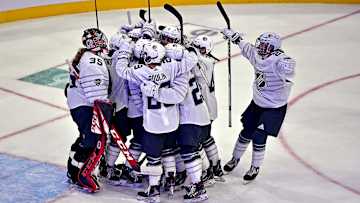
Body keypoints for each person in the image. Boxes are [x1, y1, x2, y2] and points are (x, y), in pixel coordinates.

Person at [116, 41, 198, 203]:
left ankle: (154, 191)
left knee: (153, 157)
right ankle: (170, 180)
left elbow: (121, 70)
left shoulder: (140, 71)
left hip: (153, 124)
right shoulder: (172, 67)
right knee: (168, 150)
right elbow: (191, 61)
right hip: (172, 123)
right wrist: (187, 50)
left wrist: (125, 51)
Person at [221, 29, 296, 183]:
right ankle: (235, 158)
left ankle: (255, 166)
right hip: (257, 103)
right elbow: (245, 47)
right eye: (260, 44)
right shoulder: (256, 54)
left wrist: (287, 66)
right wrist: (235, 37)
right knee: (246, 131)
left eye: (266, 46)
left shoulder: (279, 60)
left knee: (259, 136)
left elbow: (289, 71)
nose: (261, 48)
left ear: (275, 49)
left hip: (273, 107)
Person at [65, 28, 112, 192]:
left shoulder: (86, 56)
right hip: (84, 106)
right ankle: (80, 174)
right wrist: (105, 113)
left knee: (85, 137)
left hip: (78, 103)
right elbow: (96, 96)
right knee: (91, 140)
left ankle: (72, 170)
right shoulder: (92, 61)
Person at [192, 35, 225, 183]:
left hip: (205, 108)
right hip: (206, 106)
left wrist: (188, 49)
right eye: (197, 47)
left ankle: (207, 169)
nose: (199, 50)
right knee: (206, 138)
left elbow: (193, 63)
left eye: (202, 48)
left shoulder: (205, 62)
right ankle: (215, 165)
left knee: (199, 140)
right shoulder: (205, 60)